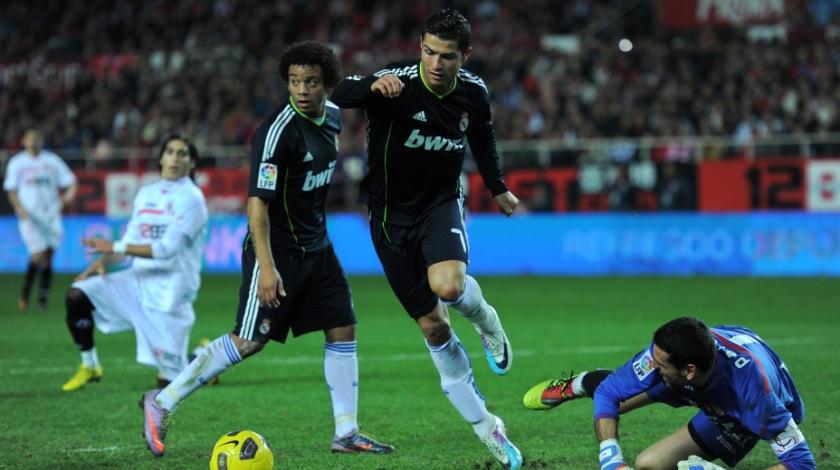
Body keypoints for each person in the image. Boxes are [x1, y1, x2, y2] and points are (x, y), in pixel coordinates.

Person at [141, 41, 393, 458]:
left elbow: (357, 94)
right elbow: (257, 204)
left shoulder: (332, 116)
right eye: (294, 81)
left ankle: (346, 432)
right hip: (276, 250)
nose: (302, 90)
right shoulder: (277, 134)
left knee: (342, 327)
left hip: (318, 247)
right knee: (248, 341)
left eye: (311, 82)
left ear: (326, 84)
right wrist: (267, 267)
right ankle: (163, 401)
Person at [331, 8, 522, 469]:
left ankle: (485, 318)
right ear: (420, 47)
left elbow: (483, 139)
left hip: (440, 206)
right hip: (387, 219)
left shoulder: (473, 93)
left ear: (465, 56)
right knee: (434, 327)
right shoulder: (395, 84)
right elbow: (339, 92)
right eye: (430, 52)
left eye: (448, 56)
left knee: (449, 287)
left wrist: (497, 187)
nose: (437, 63)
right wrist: (370, 85)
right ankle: (487, 426)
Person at [522, 316, 816, 470]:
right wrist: (610, 459)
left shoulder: (754, 396)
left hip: (738, 412)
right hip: (700, 379)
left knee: (649, 463)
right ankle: (582, 383)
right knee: (614, 399)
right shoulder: (670, 352)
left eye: (659, 364)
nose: (652, 364)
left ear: (689, 370)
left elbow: (802, 464)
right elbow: (608, 394)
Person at [61, 135, 208, 392]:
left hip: (170, 296)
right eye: (170, 151)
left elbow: (166, 250)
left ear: (192, 163)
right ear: (161, 158)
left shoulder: (192, 198)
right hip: (137, 284)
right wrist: (100, 262)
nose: (175, 157)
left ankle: (202, 357)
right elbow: (131, 243)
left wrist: (115, 247)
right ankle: (90, 365)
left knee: (167, 384)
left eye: (182, 153)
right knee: (77, 295)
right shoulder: (146, 193)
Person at [3, 129, 77, 312]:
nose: (34, 141)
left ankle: (42, 299)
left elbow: (71, 182)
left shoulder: (51, 160)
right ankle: (25, 295)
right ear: (24, 141)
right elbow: (11, 189)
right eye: (30, 138)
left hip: (51, 215)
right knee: (37, 254)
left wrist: (67, 198)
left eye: (37, 138)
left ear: (41, 141)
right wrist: (19, 208)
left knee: (49, 256)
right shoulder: (17, 162)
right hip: (30, 215)